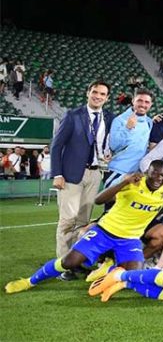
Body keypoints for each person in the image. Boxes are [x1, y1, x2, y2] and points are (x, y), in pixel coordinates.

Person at [5, 161, 163, 294]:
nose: (158, 178)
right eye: (154, 173)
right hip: (105, 231)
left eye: (162, 175)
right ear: (147, 172)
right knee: (69, 262)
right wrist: (124, 182)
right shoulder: (133, 183)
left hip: (130, 239)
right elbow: (98, 200)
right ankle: (29, 282)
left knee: (133, 274)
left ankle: (108, 270)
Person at [50, 81, 115, 276]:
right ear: (88, 93)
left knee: (83, 221)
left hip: (95, 173)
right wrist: (57, 174)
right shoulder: (73, 115)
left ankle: (75, 260)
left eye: (102, 94)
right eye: (94, 92)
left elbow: (107, 143)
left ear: (107, 98)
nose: (98, 96)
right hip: (70, 175)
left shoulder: (109, 118)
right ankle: (63, 265)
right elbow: (56, 145)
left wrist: (107, 153)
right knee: (67, 220)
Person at [106, 88, 154, 188]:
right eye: (139, 101)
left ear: (151, 105)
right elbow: (114, 146)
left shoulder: (149, 122)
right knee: (112, 203)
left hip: (136, 174)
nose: (143, 104)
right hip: (117, 171)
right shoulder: (120, 120)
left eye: (147, 102)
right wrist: (127, 128)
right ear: (133, 101)